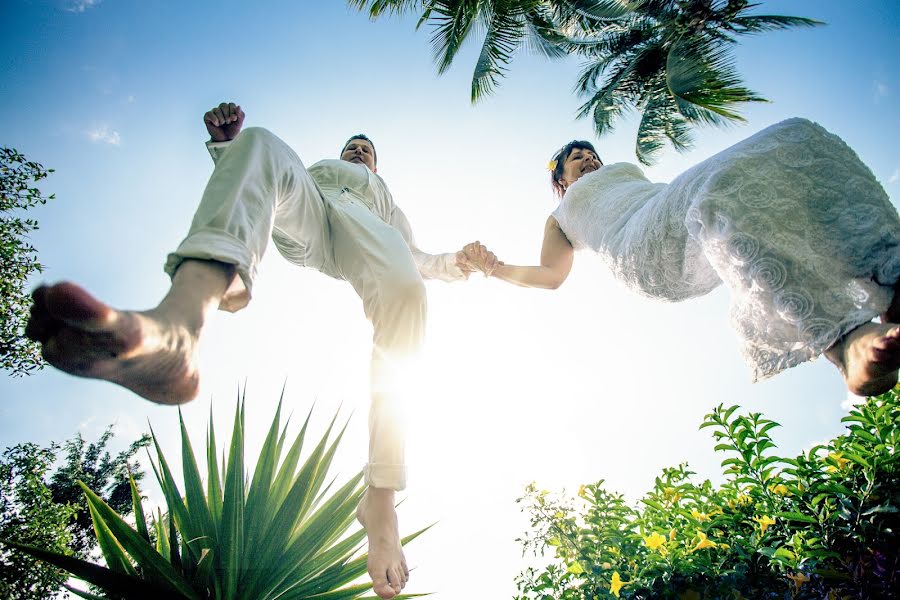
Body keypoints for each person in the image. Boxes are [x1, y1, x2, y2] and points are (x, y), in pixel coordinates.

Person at [25, 101, 497, 599]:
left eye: (366, 151)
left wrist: (458, 263)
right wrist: (229, 149)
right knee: (261, 143)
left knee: (406, 293)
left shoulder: (386, 200)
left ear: (376, 166)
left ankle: (380, 494)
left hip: (367, 235)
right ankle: (181, 325)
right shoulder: (321, 171)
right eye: (351, 147)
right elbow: (257, 188)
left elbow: (417, 258)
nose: (358, 151)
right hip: (312, 212)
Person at [462, 118, 900, 396]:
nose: (588, 158)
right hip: (642, 250)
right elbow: (550, 274)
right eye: (576, 159)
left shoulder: (620, 174)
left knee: (794, 136)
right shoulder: (560, 215)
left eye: (591, 153)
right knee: (719, 189)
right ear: (560, 181)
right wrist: (495, 268)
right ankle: (844, 345)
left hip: (671, 212)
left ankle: (889, 273)